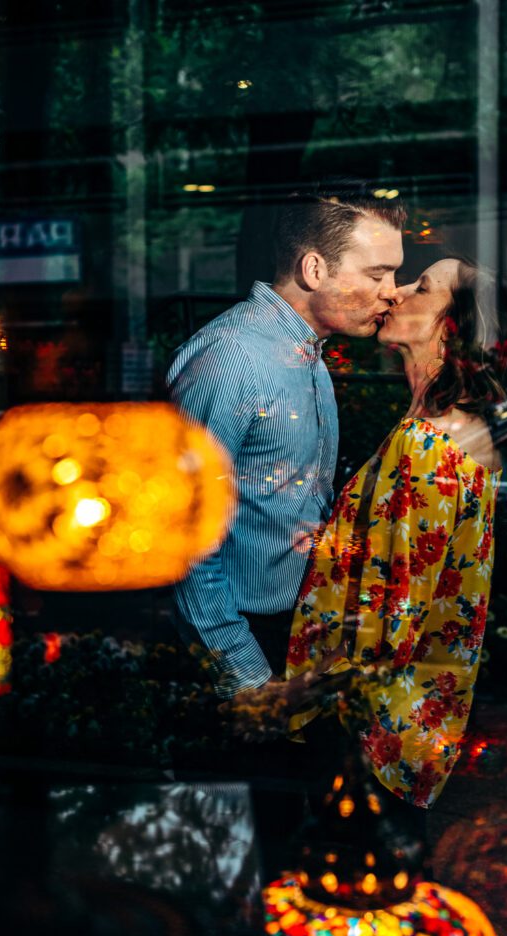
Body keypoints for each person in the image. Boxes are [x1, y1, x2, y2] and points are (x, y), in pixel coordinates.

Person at [166, 182, 405, 716]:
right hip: (245, 641)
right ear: (315, 270)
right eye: (377, 273)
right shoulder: (232, 358)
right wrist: (249, 677)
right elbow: (180, 534)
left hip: (297, 633)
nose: (393, 290)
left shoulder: (308, 354)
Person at [286, 257, 507, 808]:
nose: (396, 292)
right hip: (403, 730)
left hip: (366, 736)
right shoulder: (455, 428)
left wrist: (290, 697)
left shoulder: (428, 444)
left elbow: (389, 616)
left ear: (448, 327)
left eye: (421, 287)